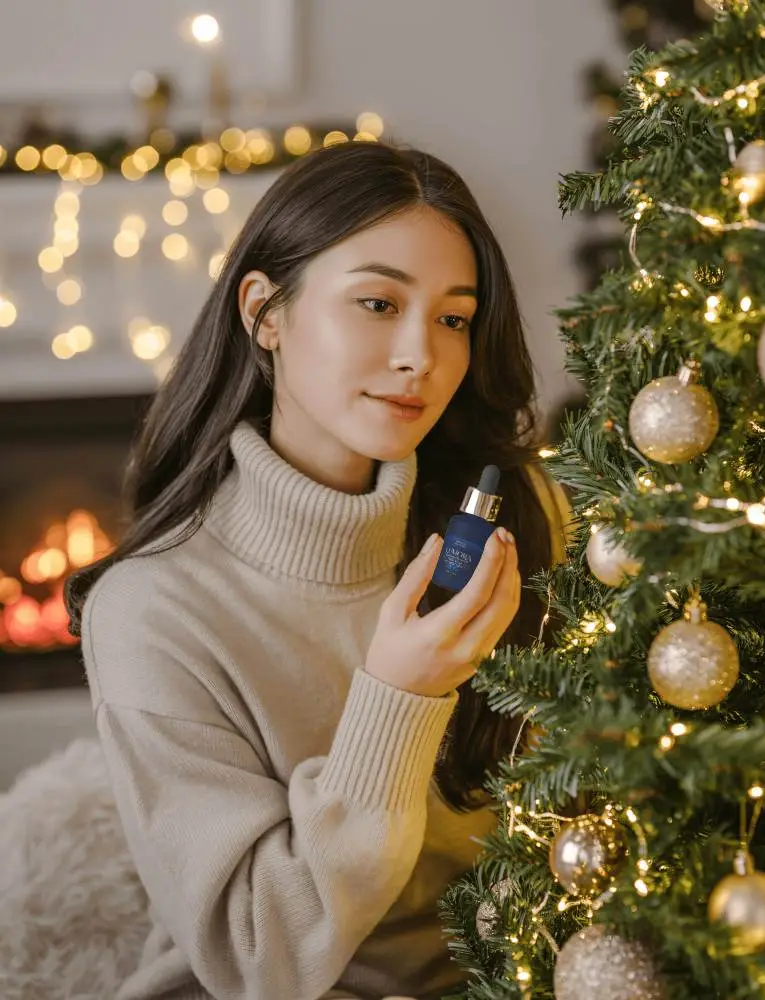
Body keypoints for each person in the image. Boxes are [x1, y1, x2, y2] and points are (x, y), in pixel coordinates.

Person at [66, 140, 570, 1000]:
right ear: (265, 312)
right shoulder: (152, 611)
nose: (422, 354)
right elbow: (262, 956)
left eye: (454, 317)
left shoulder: (514, 516)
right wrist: (398, 696)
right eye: (378, 302)